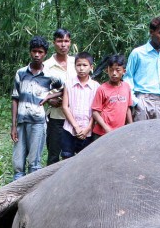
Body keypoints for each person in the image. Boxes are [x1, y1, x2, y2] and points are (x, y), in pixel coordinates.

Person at [10, 36, 52, 180]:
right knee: (18, 159)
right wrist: (13, 125)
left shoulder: (49, 76)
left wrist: (49, 97)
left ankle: (32, 193)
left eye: (40, 52)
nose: (37, 55)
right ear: (30, 52)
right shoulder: (21, 73)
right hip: (22, 120)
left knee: (34, 161)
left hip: (38, 122)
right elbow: (15, 98)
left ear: (45, 54)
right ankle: (16, 190)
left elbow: (64, 89)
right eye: (34, 51)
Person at [125, 16, 160, 121]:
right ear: (152, 32)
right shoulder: (138, 53)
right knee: (140, 135)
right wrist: (135, 102)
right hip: (143, 100)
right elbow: (128, 78)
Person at [43, 29, 76, 165]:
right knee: (53, 155)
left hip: (76, 117)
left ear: (70, 43)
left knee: (72, 155)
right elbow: (41, 91)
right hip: (56, 117)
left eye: (66, 41)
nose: (63, 45)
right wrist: (50, 99)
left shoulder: (77, 63)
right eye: (60, 41)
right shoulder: (46, 66)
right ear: (54, 43)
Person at [59, 51, 99, 158]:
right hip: (69, 129)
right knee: (66, 158)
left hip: (88, 130)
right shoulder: (69, 84)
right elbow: (64, 106)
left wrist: (88, 128)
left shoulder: (96, 87)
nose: (81, 68)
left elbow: (96, 110)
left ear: (91, 67)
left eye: (85, 65)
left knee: (85, 161)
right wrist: (75, 126)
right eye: (79, 65)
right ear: (75, 66)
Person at [91, 54, 133, 137]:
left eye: (117, 70)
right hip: (102, 133)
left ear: (124, 71)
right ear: (107, 70)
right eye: (111, 70)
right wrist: (106, 128)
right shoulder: (102, 89)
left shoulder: (126, 87)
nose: (114, 73)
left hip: (119, 132)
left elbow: (127, 108)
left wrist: (131, 125)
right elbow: (95, 112)